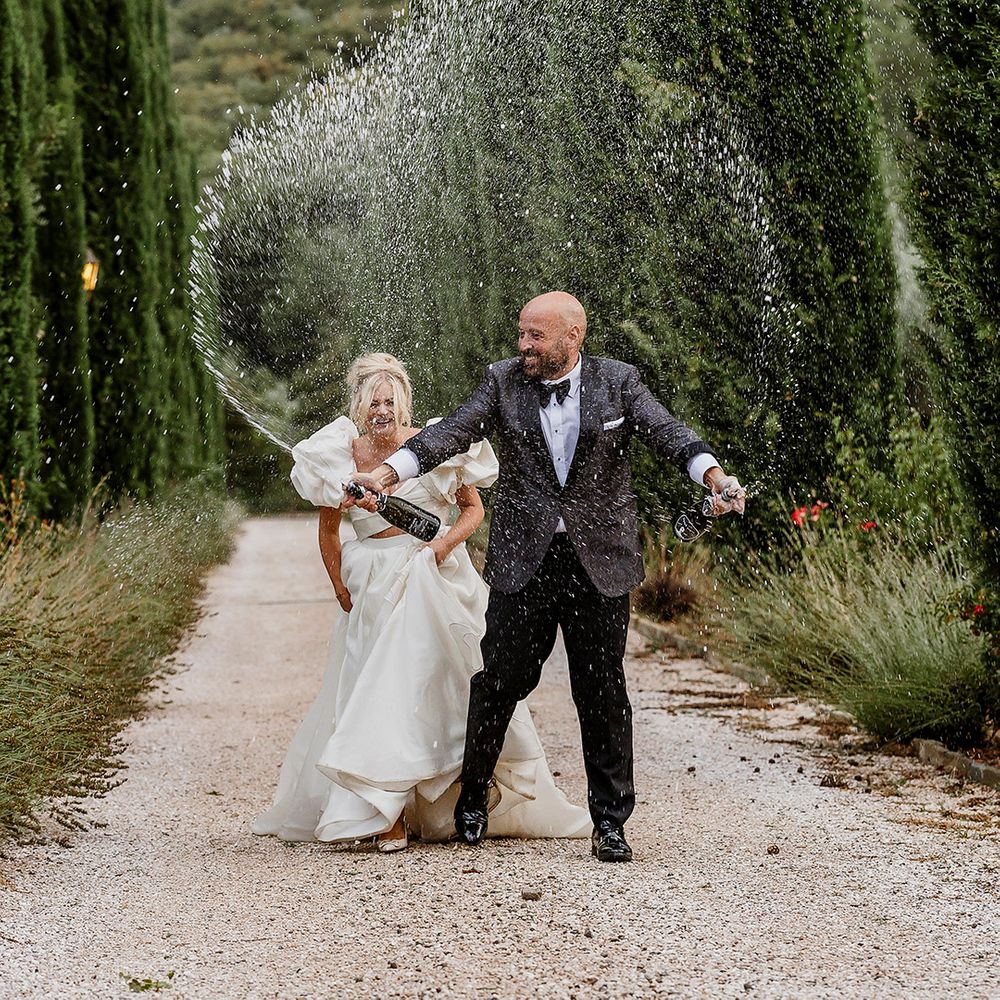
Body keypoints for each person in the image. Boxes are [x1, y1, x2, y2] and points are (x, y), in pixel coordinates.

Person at [349, 293, 746, 862]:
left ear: (573, 337)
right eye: (521, 334)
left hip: (598, 562)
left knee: (602, 690)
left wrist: (711, 476)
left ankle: (610, 822)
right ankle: (473, 797)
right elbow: (450, 434)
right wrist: (388, 473)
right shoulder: (502, 381)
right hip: (524, 558)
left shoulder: (620, 382)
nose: (523, 346)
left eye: (536, 336)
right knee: (499, 680)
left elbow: (670, 434)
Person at [252, 352, 590, 852]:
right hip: (369, 581)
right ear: (359, 405)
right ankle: (384, 810)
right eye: (372, 402)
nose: (381, 411)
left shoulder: (433, 446)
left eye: (389, 401)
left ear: (403, 403)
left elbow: (472, 512)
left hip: (429, 574)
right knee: (374, 690)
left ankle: (455, 794)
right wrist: (340, 586)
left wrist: (443, 546)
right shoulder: (339, 454)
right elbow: (329, 532)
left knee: (437, 685)